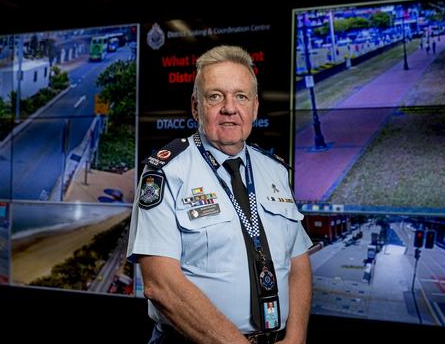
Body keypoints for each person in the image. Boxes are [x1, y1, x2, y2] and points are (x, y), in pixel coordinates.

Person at [127, 45, 313, 344]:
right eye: (215, 96)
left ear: (254, 107)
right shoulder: (165, 173)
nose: (230, 107)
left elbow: (298, 261)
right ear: (195, 106)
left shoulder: (275, 170)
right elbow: (161, 285)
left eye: (241, 96)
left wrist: (296, 336)